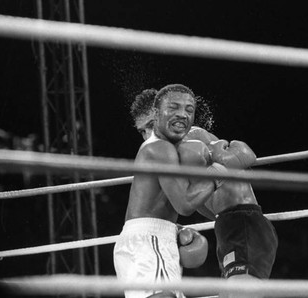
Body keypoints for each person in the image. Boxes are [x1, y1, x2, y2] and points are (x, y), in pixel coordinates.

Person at [129, 88, 278, 298]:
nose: (147, 135)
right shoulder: (166, 158)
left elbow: (240, 159)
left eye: (150, 126)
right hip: (227, 225)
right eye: (142, 131)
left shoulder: (193, 136)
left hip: (243, 221)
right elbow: (194, 203)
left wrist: (223, 166)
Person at [114, 84, 223, 298]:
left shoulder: (164, 149)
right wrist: (219, 173)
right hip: (150, 241)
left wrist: (176, 230)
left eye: (189, 110)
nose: (182, 114)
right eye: (173, 108)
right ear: (157, 113)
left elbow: (159, 205)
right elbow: (184, 203)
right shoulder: (160, 148)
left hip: (146, 241)